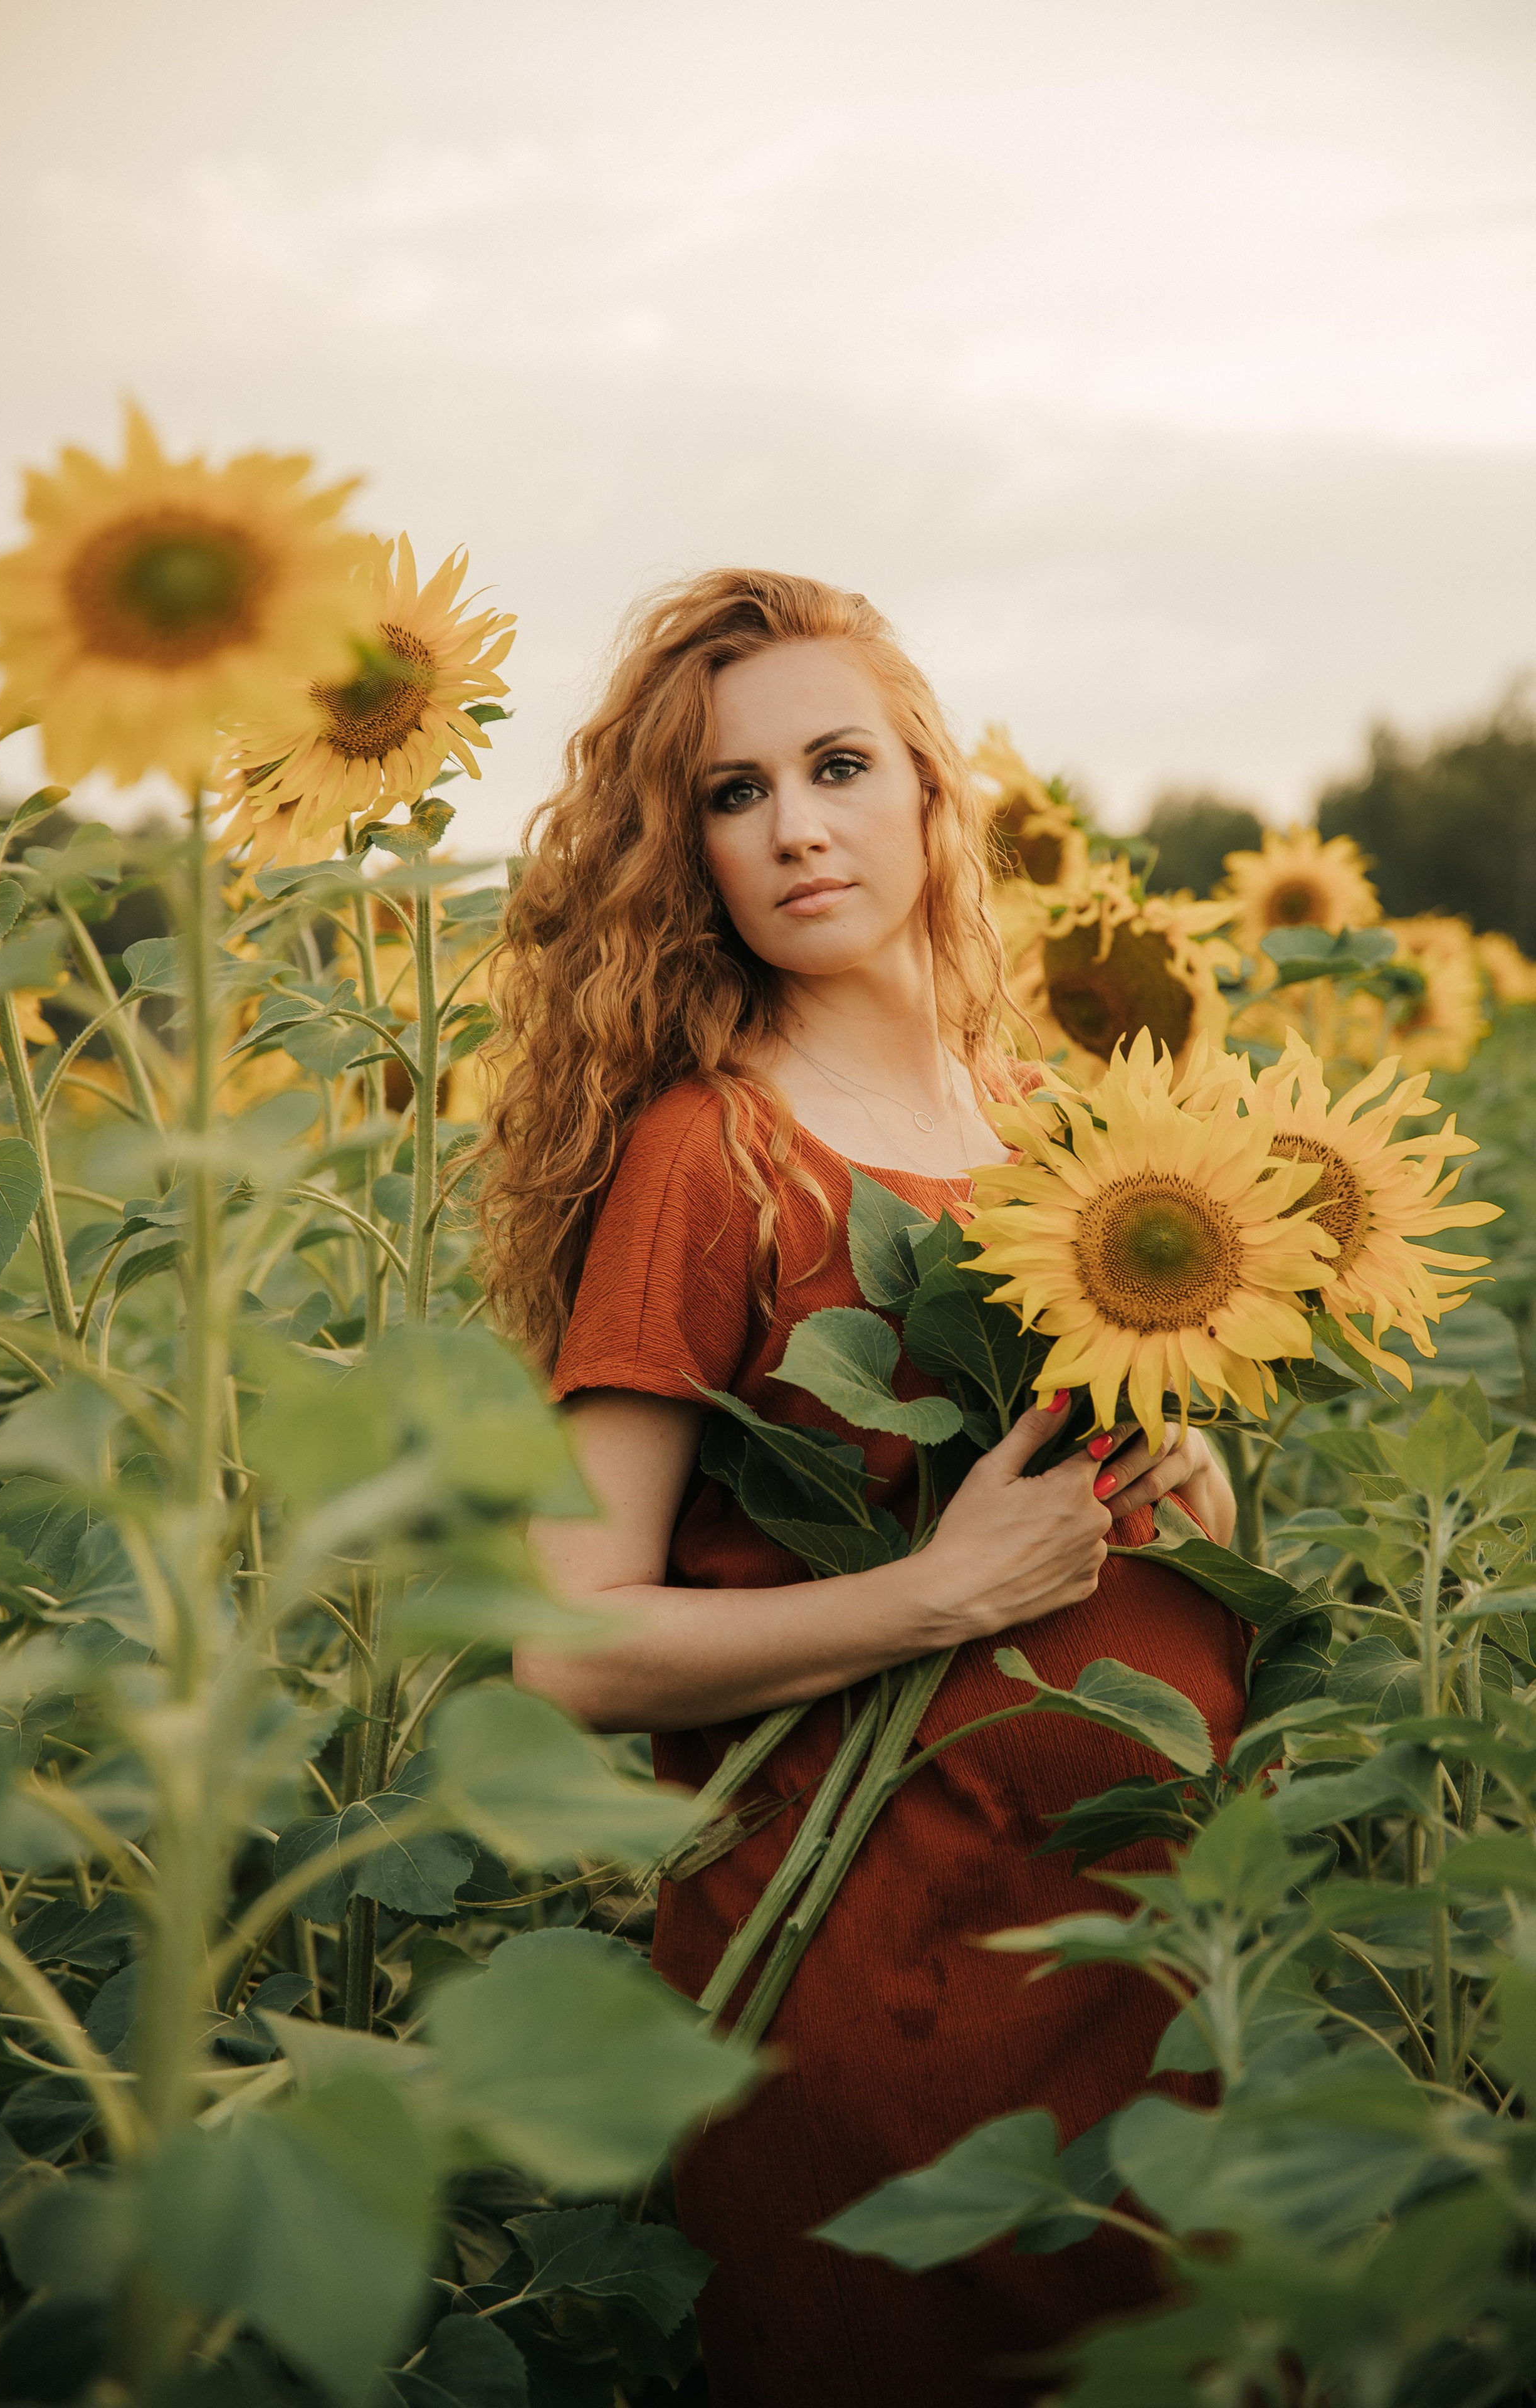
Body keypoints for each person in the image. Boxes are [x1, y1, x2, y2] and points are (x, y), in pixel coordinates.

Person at [478, 569, 1243, 2408]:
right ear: (691, 857)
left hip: (1139, 1960)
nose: (798, 827)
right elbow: (562, 1651)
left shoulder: (1064, 1129)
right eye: (735, 796)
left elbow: (1132, 1506)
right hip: (875, 1991)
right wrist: (941, 1592)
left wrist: (1192, 1476)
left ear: (928, 788)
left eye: (835, 764)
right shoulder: (714, 1150)